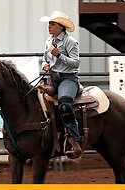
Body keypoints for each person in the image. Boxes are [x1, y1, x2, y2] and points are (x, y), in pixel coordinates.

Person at [39, 10, 83, 159]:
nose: (49, 26)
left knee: (64, 105)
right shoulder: (48, 41)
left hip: (68, 79)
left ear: (60, 26)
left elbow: (76, 63)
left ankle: (74, 139)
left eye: (52, 24)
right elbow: (45, 58)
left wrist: (59, 55)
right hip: (53, 78)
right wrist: (46, 64)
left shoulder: (70, 42)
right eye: (49, 24)